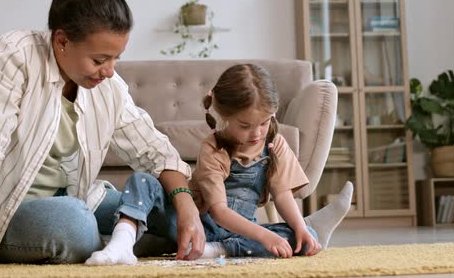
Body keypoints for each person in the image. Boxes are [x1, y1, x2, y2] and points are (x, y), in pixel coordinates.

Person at [0, 0, 204, 275]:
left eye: (116, 59)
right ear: (62, 41)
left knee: (173, 210)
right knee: (73, 222)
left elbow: (154, 150)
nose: (109, 71)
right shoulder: (13, 58)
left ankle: (120, 242)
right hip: (9, 215)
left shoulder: (109, 87)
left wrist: (186, 205)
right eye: (99, 60)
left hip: (80, 201)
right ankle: (126, 238)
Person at [87, 63, 352, 264]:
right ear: (225, 117)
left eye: (264, 122)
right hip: (197, 225)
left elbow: (282, 195)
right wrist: (264, 237)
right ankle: (122, 242)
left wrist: (298, 228)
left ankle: (223, 249)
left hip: (237, 234)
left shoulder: (275, 144)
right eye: (245, 126)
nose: (257, 133)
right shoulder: (213, 147)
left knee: (302, 239)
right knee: (142, 180)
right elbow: (219, 212)